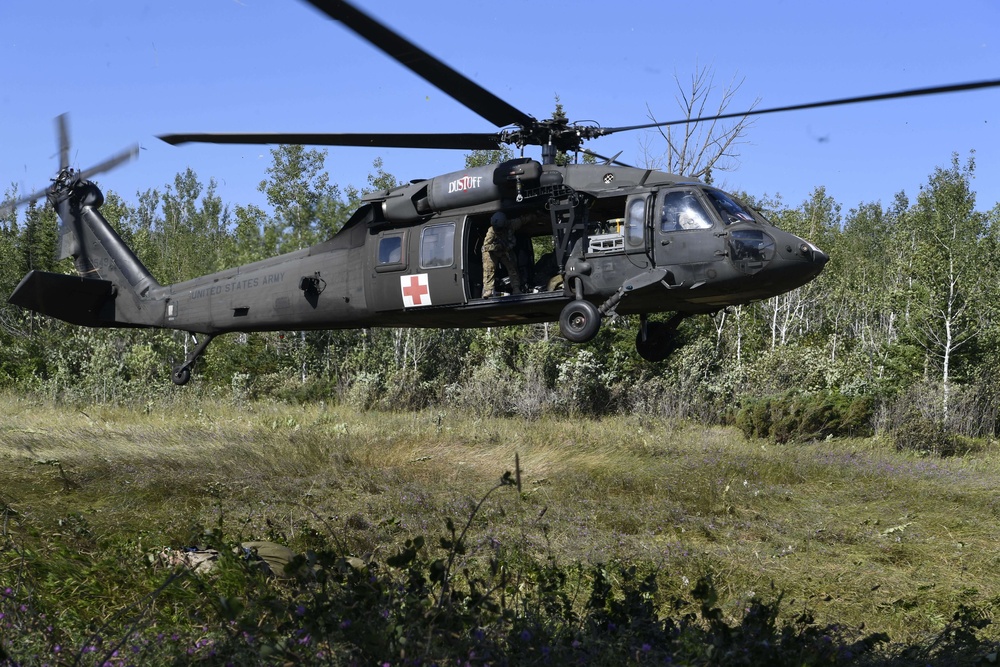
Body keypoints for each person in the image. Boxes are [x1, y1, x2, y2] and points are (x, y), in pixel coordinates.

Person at [482, 211, 522, 297]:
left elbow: (522, 220)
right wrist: (497, 247)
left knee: (512, 268)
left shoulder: (511, 225)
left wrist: (534, 216)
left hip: (505, 250)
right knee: (489, 268)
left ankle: (516, 288)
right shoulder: (491, 231)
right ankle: (488, 290)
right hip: (492, 252)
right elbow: (486, 246)